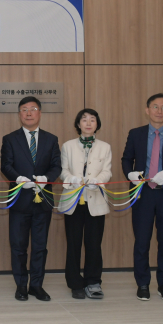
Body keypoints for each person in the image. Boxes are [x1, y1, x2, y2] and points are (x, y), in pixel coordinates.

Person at [122, 93, 163, 302]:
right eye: (155, 107)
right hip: (143, 194)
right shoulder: (136, 133)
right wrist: (130, 174)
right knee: (142, 241)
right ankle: (142, 284)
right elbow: (126, 159)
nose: (159, 111)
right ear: (147, 110)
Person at [0, 96, 62, 302]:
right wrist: (18, 178)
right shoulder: (10, 139)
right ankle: (21, 285)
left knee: (40, 246)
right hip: (19, 200)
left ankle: (36, 285)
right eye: (24, 109)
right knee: (18, 246)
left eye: (33, 109)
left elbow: (57, 166)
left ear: (40, 113)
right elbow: (6, 165)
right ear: (19, 114)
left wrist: (47, 179)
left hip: (43, 201)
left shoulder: (51, 139)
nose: (28, 113)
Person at [60, 108, 112, 300]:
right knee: (73, 244)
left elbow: (107, 171)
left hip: (95, 201)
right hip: (73, 201)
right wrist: (72, 179)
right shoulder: (68, 146)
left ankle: (93, 282)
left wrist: (98, 181)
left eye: (92, 120)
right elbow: (63, 170)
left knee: (94, 244)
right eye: (84, 120)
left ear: (97, 124)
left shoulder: (105, 147)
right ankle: (75, 283)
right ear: (78, 124)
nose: (88, 123)